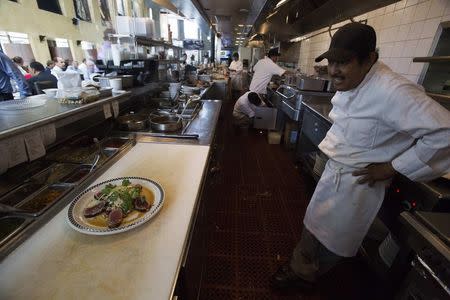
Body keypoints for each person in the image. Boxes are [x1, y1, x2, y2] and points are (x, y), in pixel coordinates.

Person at [271, 22, 450, 290]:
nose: (334, 71)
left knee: (334, 235)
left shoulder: (393, 90)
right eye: (331, 62)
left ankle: (306, 274)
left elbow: (444, 132)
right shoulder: (357, 81)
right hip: (336, 171)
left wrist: (393, 167)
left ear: (370, 60)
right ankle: (304, 266)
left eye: (343, 63)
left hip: (358, 182)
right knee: (315, 224)